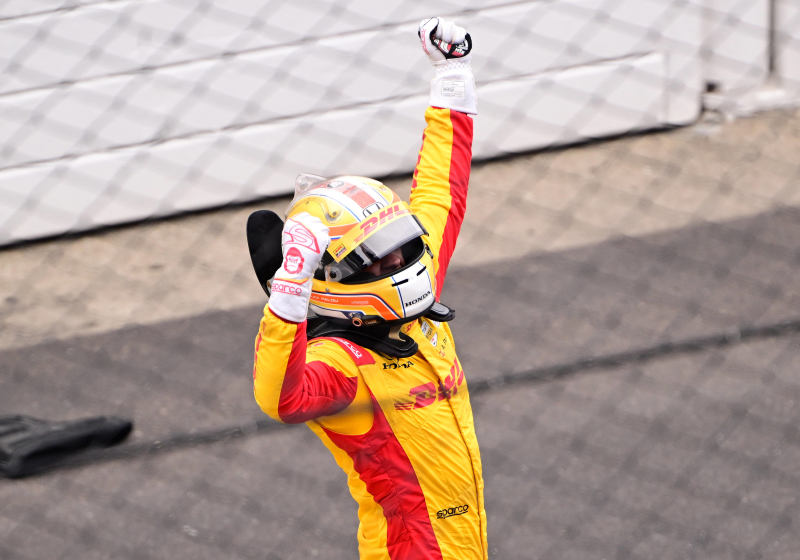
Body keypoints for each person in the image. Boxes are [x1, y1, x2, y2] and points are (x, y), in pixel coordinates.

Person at [251, 16, 486, 560]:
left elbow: (441, 190)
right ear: (335, 281)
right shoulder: (339, 361)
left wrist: (453, 76)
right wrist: (288, 290)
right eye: (384, 256)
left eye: (403, 244)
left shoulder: (418, 291)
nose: (405, 261)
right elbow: (281, 398)